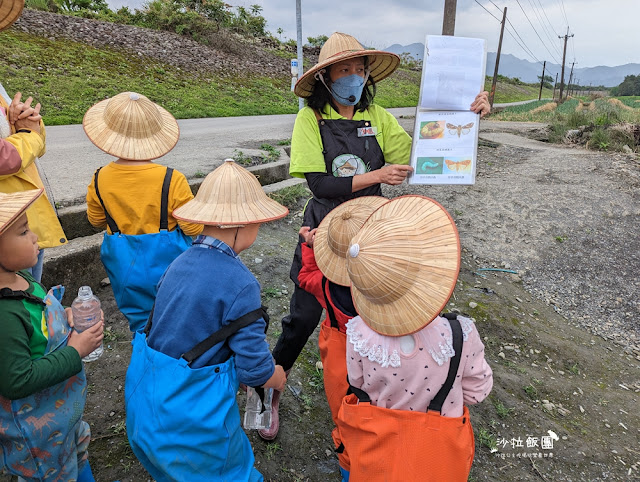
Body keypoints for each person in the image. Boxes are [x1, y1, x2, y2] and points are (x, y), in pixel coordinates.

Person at [264, 31, 491, 440]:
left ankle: (363, 401)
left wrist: (466, 118)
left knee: (363, 317)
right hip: (323, 230)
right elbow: (320, 184)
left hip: (372, 233)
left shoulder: (379, 118)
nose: (355, 77)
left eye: (360, 69)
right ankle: (268, 389)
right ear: (326, 78)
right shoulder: (308, 119)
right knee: (303, 316)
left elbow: (424, 156)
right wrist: (377, 175)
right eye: (345, 70)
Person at [125, 159, 289, 481]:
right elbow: (254, 369)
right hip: (194, 417)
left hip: (148, 403)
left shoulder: (178, 261)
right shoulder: (242, 285)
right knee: (228, 471)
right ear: (244, 223)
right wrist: (275, 376)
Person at [335, 195, 493, 481]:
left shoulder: (357, 332)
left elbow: (357, 383)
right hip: (435, 452)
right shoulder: (461, 334)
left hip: (377, 444)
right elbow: (476, 392)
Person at [0, 189, 104, 482]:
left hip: (63, 413)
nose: (34, 237)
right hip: (37, 433)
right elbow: (16, 380)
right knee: (53, 473)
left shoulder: (22, 277)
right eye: (23, 232)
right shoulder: (5, 314)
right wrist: (75, 351)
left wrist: (66, 315)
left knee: (76, 447)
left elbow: (42, 316)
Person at [84, 92, 203, 332]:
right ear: (155, 136)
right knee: (175, 315)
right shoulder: (172, 178)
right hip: (170, 263)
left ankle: (144, 354)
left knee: (140, 322)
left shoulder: (100, 178)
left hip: (123, 263)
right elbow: (193, 227)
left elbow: (96, 220)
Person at [297, 196, 389, 477]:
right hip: (386, 362)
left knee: (347, 416)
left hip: (342, 358)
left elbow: (305, 277)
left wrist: (309, 247)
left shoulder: (325, 285)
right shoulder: (391, 289)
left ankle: (349, 469)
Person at [0, 0, 67, 283]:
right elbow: (8, 157)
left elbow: (26, 141)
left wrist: (23, 123)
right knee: (18, 307)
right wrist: (29, 135)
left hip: (21, 218)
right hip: (6, 228)